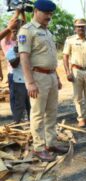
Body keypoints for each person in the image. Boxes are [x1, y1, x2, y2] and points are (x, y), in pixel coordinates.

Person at [19, 0, 67, 162]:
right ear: (36, 11)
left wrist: (57, 77)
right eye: (46, 13)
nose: (49, 16)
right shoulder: (27, 30)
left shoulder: (47, 32)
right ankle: (39, 147)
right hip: (37, 77)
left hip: (51, 76)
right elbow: (24, 57)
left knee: (52, 112)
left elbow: (51, 57)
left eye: (51, 13)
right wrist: (30, 82)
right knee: (38, 113)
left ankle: (51, 143)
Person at [63, 18, 86, 128]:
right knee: (77, 96)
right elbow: (65, 57)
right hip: (76, 71)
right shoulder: (70, 40)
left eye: (83, 26)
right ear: (75, 28)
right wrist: (67, 72)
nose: (81, 28)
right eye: (78, 26)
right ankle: (81, 118)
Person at [6, 23, 31, 123]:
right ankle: (17, 124)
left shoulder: (31, 49)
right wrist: (19, 53)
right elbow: (14, 65)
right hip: (19, 81)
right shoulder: (11, 51)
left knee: (31, 105)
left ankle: (32, 125)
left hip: (30, 80)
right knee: (19, 105)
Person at [1, 21, 19, 117]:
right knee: (14, 96)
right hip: (12, 72)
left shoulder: (19, 41)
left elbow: (23, 25)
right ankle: (16, 117)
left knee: (24, 97)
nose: (15, 32)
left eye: (17, 31)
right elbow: (10, 28)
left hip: (23, 73)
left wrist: (22, 12)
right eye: (14, 31)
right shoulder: (5, 42)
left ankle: (26, 117)